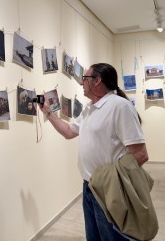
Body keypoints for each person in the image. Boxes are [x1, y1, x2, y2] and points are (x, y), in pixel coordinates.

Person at [39, 63, 148, 240]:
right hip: (88, 187)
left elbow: (140, 154)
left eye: (85, 79)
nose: (81, 83)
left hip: (108, 189)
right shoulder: (89, 108)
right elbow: (68, 132)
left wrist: (113, 182)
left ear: (97, 81)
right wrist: (48, 113)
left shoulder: (120, 106)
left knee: (112, 237)